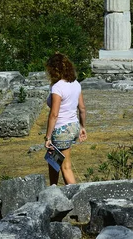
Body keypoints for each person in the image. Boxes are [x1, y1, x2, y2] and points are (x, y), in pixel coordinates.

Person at [44, 52, 87, 185]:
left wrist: (48, 137)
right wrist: (82, 127)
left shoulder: (57, 87)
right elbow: (82, 108)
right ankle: (53, 189)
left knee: (65, 166)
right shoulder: (75, 84)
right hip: (73, 126)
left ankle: (76, 197)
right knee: (53, 160)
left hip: (61, 129)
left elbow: (54, 114)